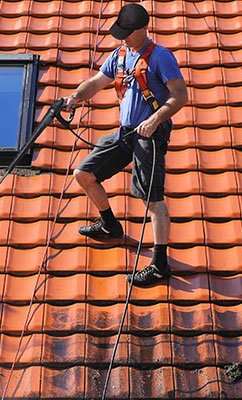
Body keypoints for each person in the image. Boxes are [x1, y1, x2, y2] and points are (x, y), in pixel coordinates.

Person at [64, 3, 188, 287]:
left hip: (150, 136)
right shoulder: (120, 55)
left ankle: (159, 264)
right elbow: (96, 83)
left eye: (128, 33)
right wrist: (74, 97)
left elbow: (180, 96)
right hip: (125, 133)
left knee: (151, 200)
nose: (123, 38)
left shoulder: (161, 57)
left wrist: (155, 120)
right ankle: (109, 224)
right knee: (84, 174)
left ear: (143, 29)